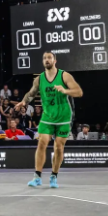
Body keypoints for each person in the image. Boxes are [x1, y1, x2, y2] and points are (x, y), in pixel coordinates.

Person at [15, 52, 81, 189]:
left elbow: (78, 92)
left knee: (58, 147)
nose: (47, 60)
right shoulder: (39, 79)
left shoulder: (64, 76)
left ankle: (54, 176)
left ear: (55, 60)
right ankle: (37, 177)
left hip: (63, 117)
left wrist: (65, 91)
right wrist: (24, 102)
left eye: (49, 57)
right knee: (42, 143)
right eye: (44, 58)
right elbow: (31, 93)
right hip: (47, 117)